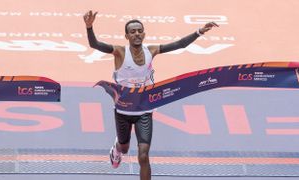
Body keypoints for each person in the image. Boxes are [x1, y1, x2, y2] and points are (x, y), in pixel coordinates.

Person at [83, 10, 218, 180]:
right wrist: (89, 27)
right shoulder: (119, 52)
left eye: (140, 31)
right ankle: (117, 148)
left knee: (143, 156)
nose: (137, 34)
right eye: (133, 32)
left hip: (144, 110)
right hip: (123, 111)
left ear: (144, 34)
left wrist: (199, 32)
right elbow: (95, 45)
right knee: (124, 148)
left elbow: (179, 45)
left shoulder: (151, 50)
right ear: (127, 36)